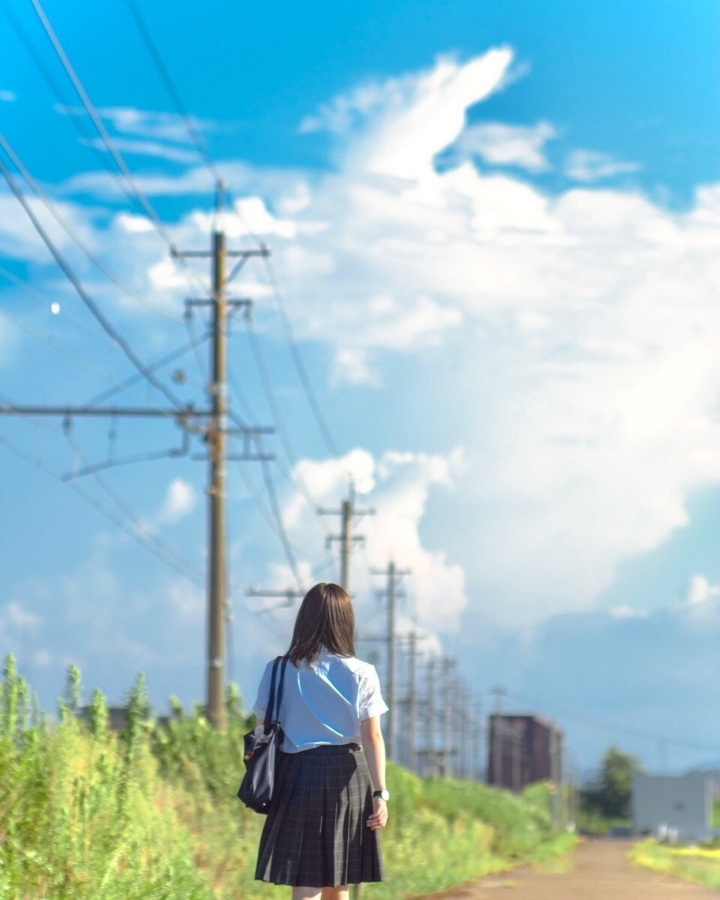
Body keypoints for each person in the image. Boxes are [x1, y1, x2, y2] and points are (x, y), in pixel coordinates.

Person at [253, 582, 389, 900]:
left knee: (306, 877)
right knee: (337, 877)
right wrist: (380, 793)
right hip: (348, 774)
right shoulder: (361, 673)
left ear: (304, 619)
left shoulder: (277, 670)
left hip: (297, 773)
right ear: (345, 621)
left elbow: (261, 728)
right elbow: (373, 736)